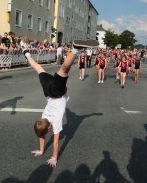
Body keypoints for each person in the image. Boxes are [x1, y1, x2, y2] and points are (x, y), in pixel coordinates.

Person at [27, 39, 99, 167]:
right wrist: (41, 151)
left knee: (65, 69)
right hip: (48, 90)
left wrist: (54, 158)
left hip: (56, 92)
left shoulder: (55, 121)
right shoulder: (42, 119)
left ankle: (75, 49)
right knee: (38, 68)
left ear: (49, 128)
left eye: (48, 130)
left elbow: (55, 143)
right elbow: (41, 134)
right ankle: (26, 53)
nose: (48, 131)